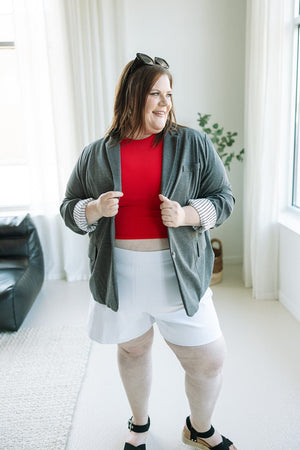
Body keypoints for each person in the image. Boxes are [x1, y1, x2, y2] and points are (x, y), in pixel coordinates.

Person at [60, 53, 237, 450]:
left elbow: (224, 198)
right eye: (155, 93)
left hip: (179, 274)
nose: (165, 103)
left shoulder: (193, 143)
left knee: (208, 359)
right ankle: (139, 425)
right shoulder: (96, 152)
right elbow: (68, 208)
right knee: (134, 350)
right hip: (120, 275)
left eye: (169, 94)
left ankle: (199, 428)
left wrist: (187, 213)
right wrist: (94, 209)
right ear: (133, 96)